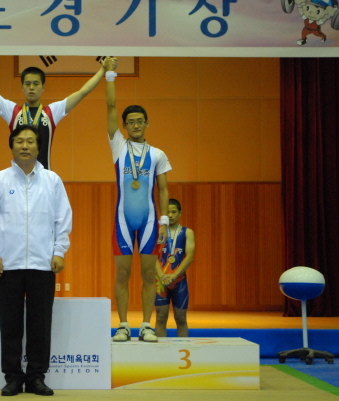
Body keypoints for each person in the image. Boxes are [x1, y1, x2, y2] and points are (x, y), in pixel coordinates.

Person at [0, 124, 72, 396]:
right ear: (11, 146)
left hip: (43, 263)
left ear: (39, 148)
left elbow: (63, 218)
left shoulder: (52, 180)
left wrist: (59, 250)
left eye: (30, 141)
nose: (24, 146)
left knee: (40, 325)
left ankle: (36, 377)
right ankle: (12, 377)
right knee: (10, 324)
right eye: (19, 141)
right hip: (8, 264)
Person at [105, 59, 171, 343]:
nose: (135, 125)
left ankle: (146, 325)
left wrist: (164, 222)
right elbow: (110, 106)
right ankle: (122, 325)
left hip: (149, 222)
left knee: (147, 274)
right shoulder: (118, 146)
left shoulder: (157, 154)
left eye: (139, 121)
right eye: (130, 122)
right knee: (122, 274)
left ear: (147, 124)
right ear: (124, 126)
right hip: (123, 220)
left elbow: (163, 190)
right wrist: (110, 74)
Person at [0, 54, 112, 170]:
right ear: (22, 87)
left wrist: (103, 70)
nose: (31, 87)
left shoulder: (52, 112)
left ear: (43, 87)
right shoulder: (12, 111)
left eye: (36, 84)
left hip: (44, 178)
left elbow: (83, 92)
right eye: (27, 84)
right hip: (17, 178)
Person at [155, 199, 195, 337]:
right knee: (160, 317)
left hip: (179, 281)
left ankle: (183, 348)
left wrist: (174, 275)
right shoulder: (157, 233)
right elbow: (151, 256)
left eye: (173, 212)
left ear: (180, 213)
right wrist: (161, 276)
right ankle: (160, 349)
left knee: (181, 318)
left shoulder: (187, 233)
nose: (170, 215)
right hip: (160, 281)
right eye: (167, 212)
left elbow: (189, 257)